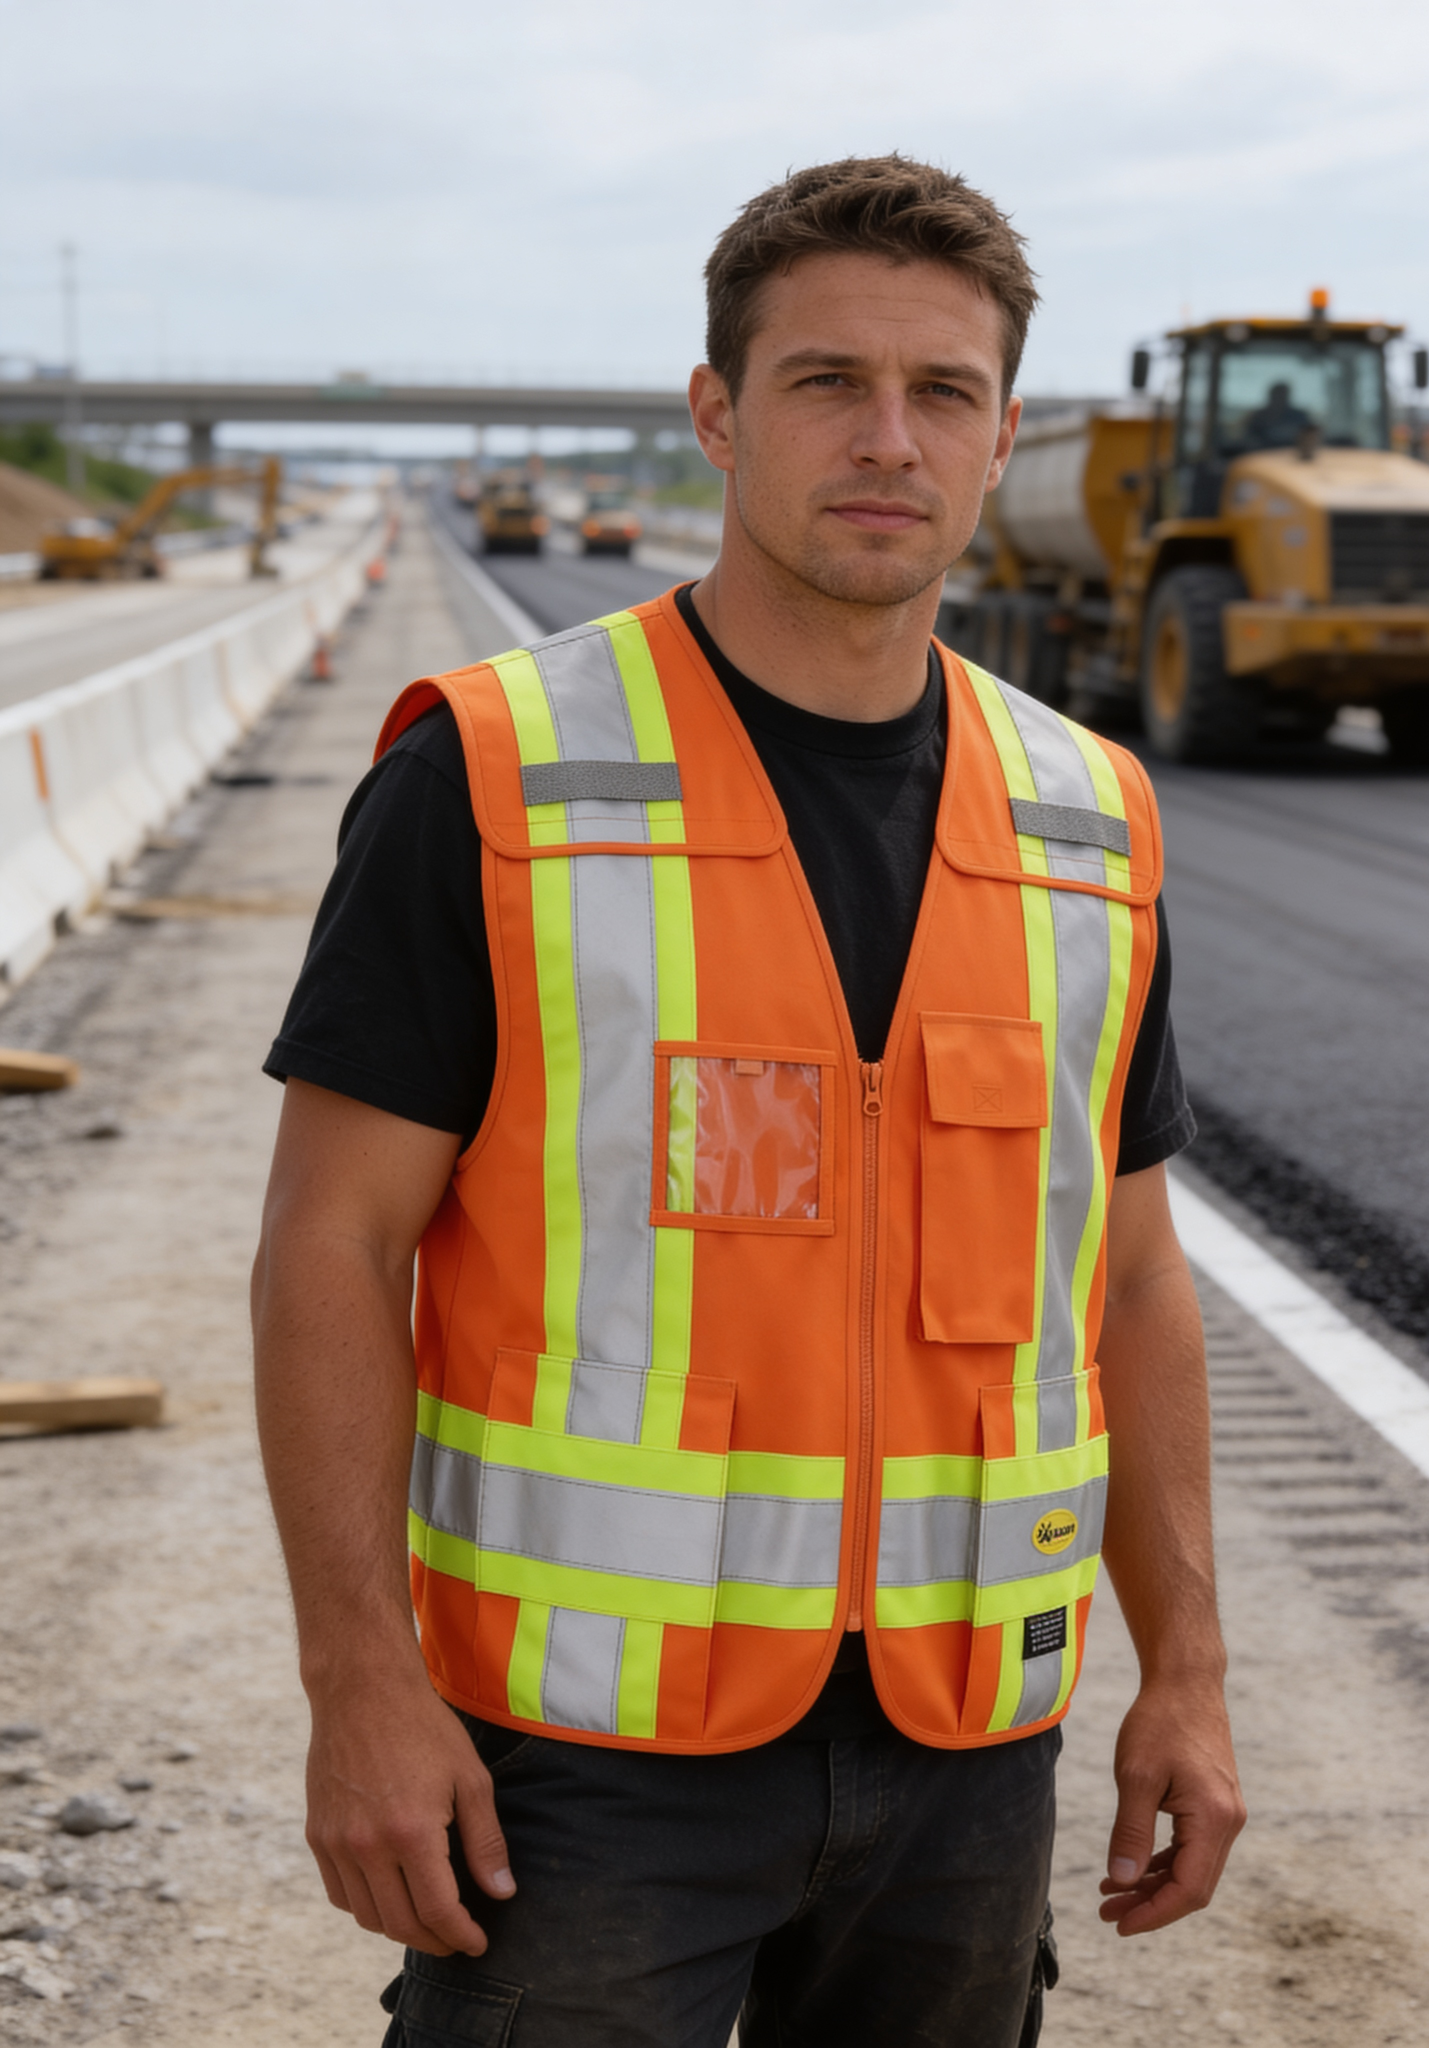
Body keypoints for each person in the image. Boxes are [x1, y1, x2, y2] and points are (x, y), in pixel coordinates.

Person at [252, 154, 1244, 2048]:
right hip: (587, 1756)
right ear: (717, 412)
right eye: (824, 384)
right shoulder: (497, 772)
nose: (889, 439)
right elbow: (331, 1241)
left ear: (1000, 431)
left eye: (941, 393)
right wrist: (357, 1683)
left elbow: (1127, 1280)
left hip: (972, 1741)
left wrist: (1185, 1668)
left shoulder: (1088, 822)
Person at [1242, 378, 1316, 450]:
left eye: (1283, 394)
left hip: (1293, 456)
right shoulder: (1259, 417)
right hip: (1264, 455)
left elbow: (1310, 437)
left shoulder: (1299, 416)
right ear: (1271, 395)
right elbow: (1249, 440)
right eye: (1278, 394)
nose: (1280, 397)